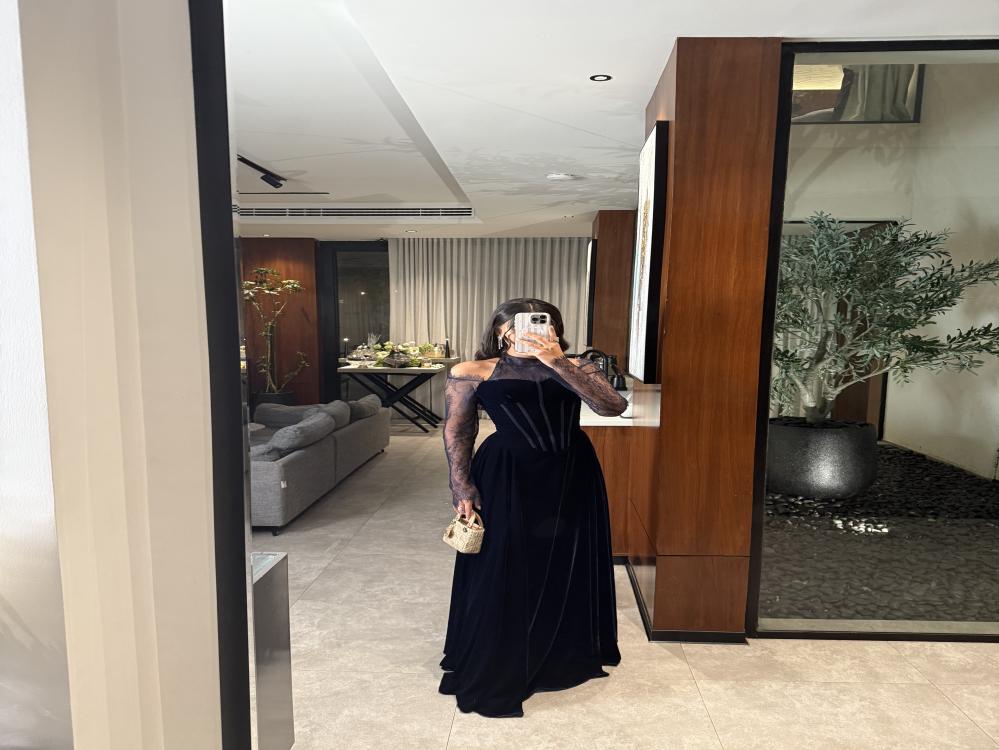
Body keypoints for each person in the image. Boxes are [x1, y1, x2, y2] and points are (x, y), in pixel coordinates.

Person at [438, 297, 627, 717]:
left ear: (555, 329)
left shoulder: (576, 365)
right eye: (516, 325)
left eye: (544, 324)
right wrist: (461, 486)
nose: (530, 332)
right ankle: (502, 653)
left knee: (566, 559)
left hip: (572, 473)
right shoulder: (472, 371)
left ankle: (564, 649)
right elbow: (458, 431)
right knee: (504, 563)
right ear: (499, 331)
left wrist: (556, 360)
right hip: (507, 475)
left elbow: (611, 406)